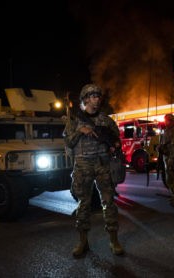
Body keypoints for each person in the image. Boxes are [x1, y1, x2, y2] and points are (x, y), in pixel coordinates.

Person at [64, 83, 124, 257]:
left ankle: (114, 240)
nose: (97, 100)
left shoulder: (106, 120)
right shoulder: (74, 121)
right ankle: (83, 242)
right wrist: (80, 131)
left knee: (109, 203)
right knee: (84, 204)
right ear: (85, 99)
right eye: (93, 97)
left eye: (98, 96)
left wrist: (115, 146)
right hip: (83, 167)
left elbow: (116, 139)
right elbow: (68, 143)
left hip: (102, 165)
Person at [160, 113, 174, 207]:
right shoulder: (167, 131)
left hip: (170, 158)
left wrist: (172, 158)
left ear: (171, 121)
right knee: (169, 180)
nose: (165, 122)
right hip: (167, 157)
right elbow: (165, 144)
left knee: (173, 180)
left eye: (166, 120)